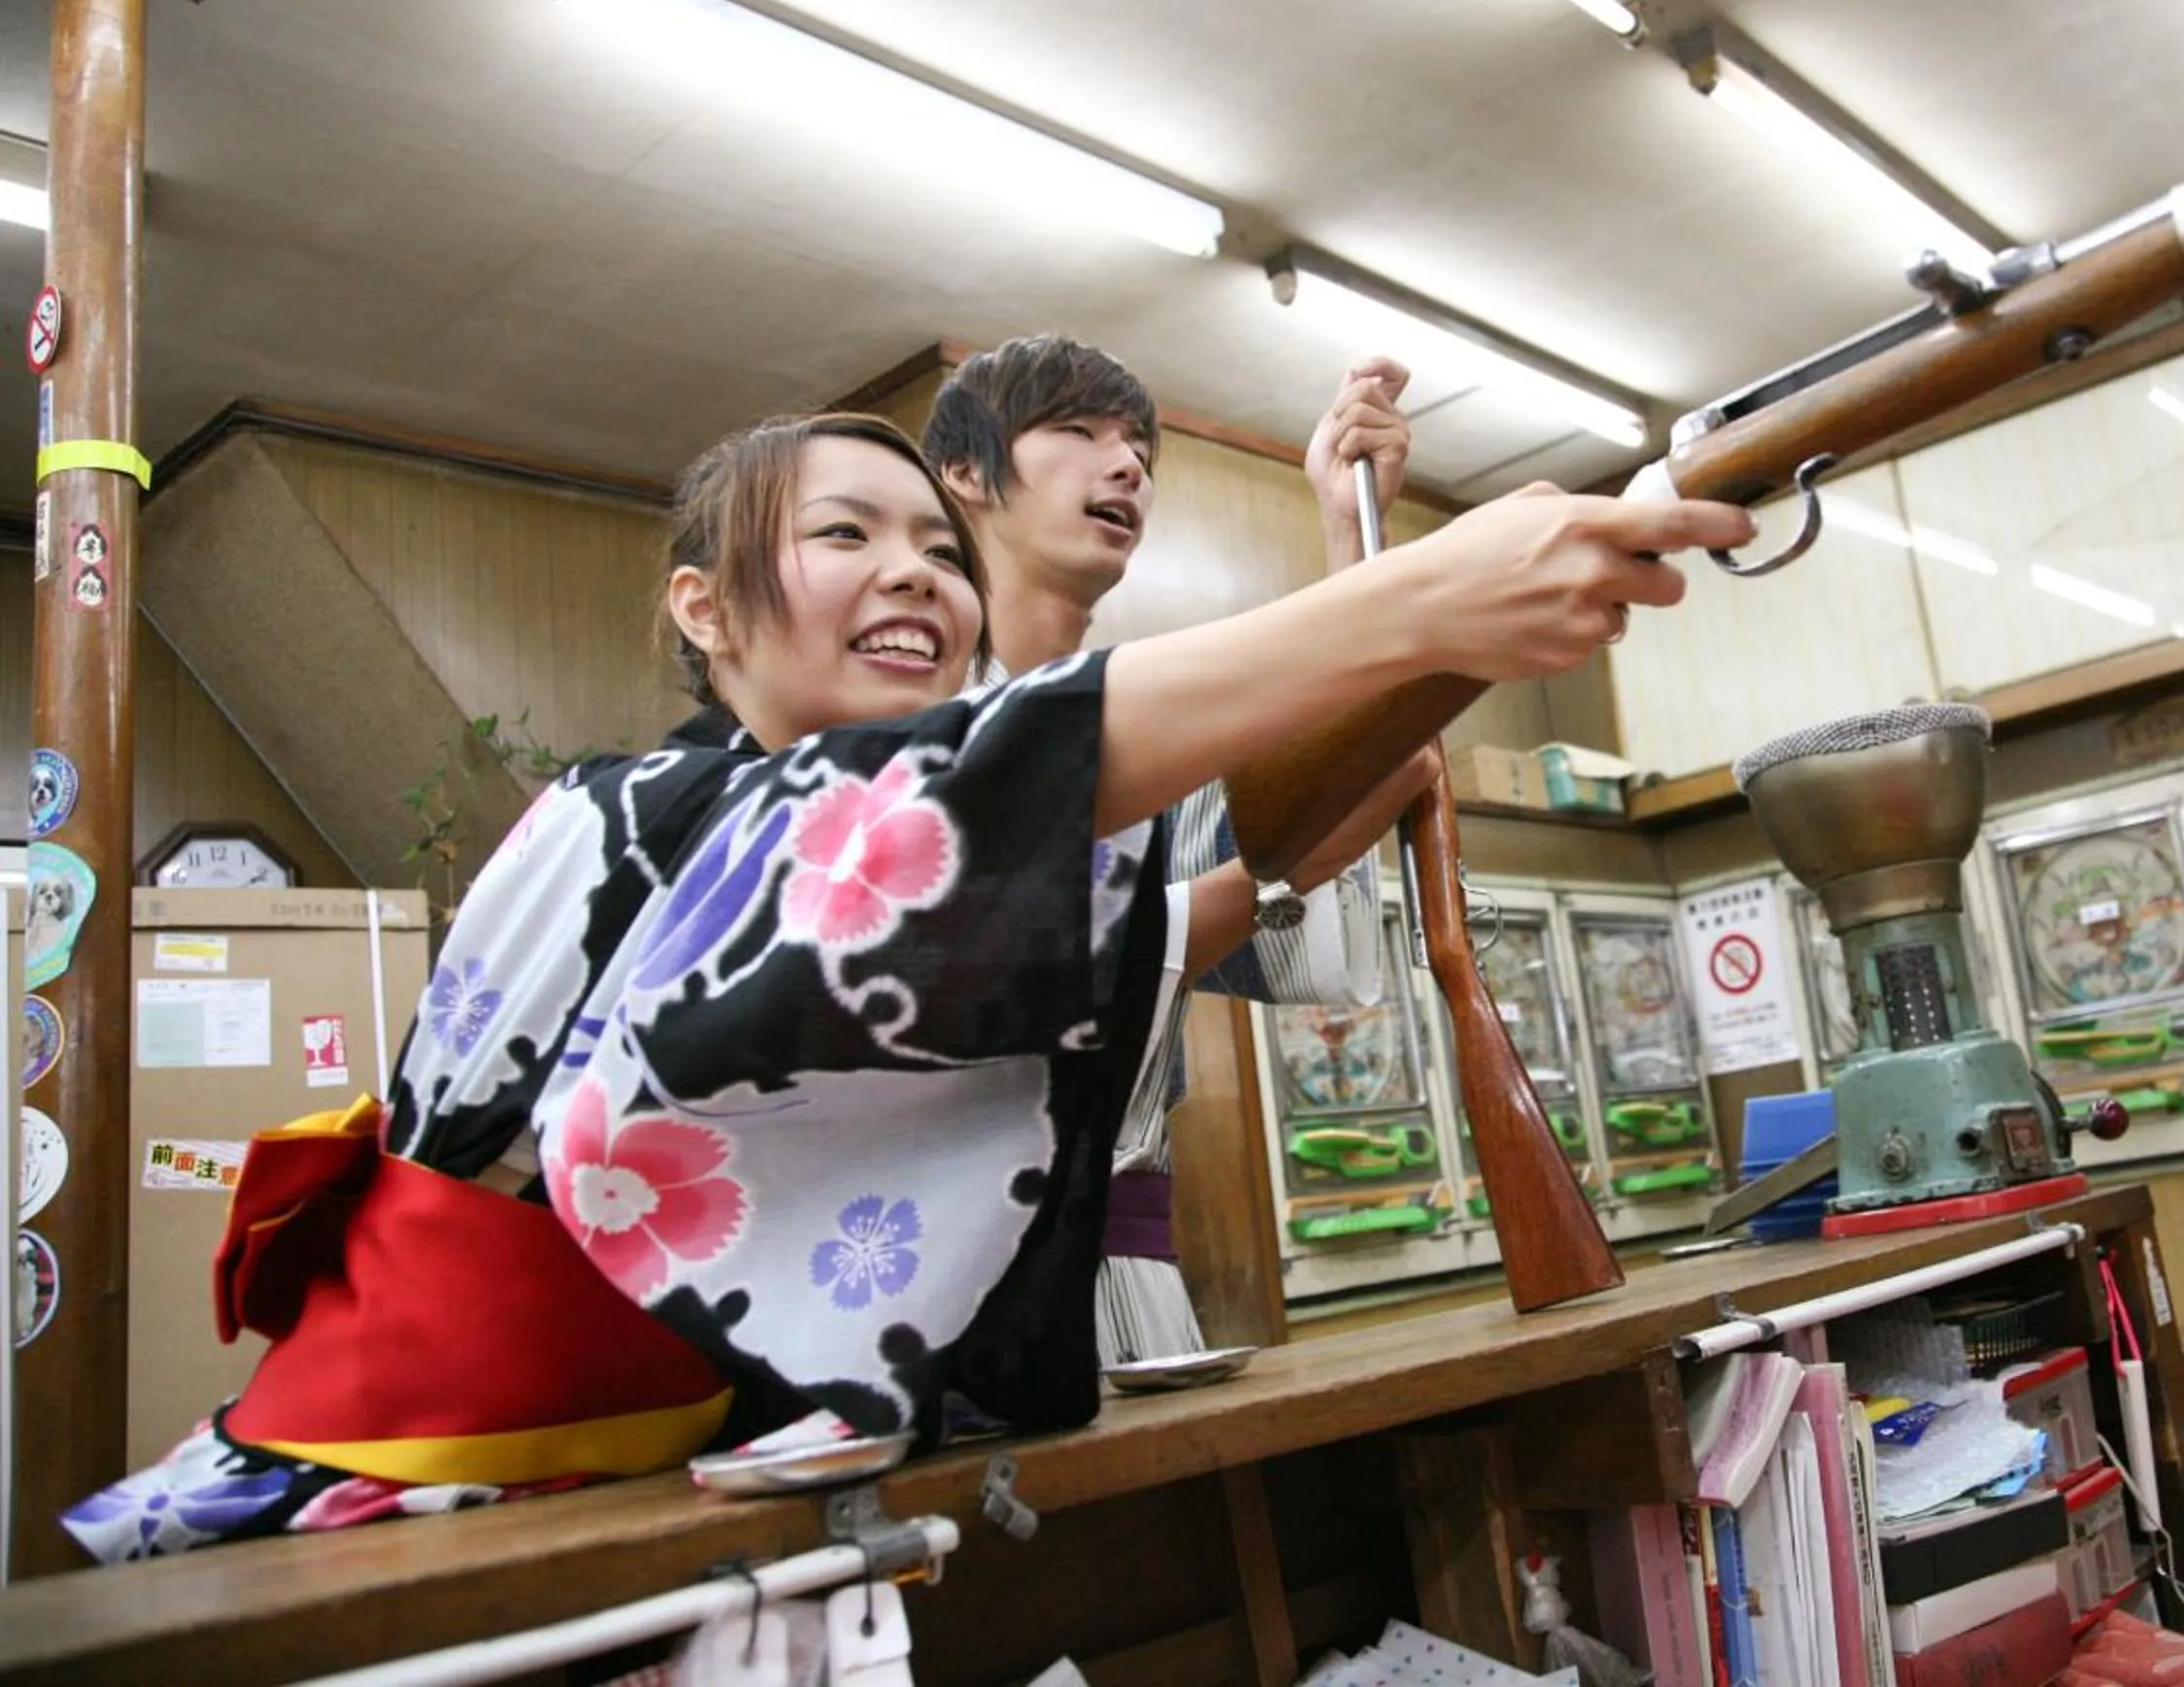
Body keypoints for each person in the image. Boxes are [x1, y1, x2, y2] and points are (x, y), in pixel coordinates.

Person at [66, 410, 1748, 1562]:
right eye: (845, 533)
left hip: (647, 1509)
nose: (917, 575)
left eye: (941, 550)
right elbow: (928, 820)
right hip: (407, 1497)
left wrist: (1403, 648)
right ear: (703, 607)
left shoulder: (853, 851)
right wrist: (1403, 599)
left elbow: (1153, 912)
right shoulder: (625, 815)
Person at [921, 337, 1424, 1363]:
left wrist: (1347, 529)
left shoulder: (1162, 737)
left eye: (1140, 450)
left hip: (1134, 1284)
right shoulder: (893, 727)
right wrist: (1272, 873)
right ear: (963, 473)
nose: (1126, 465)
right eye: (1076, 431)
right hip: (933, 1289)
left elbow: (1303, 932)